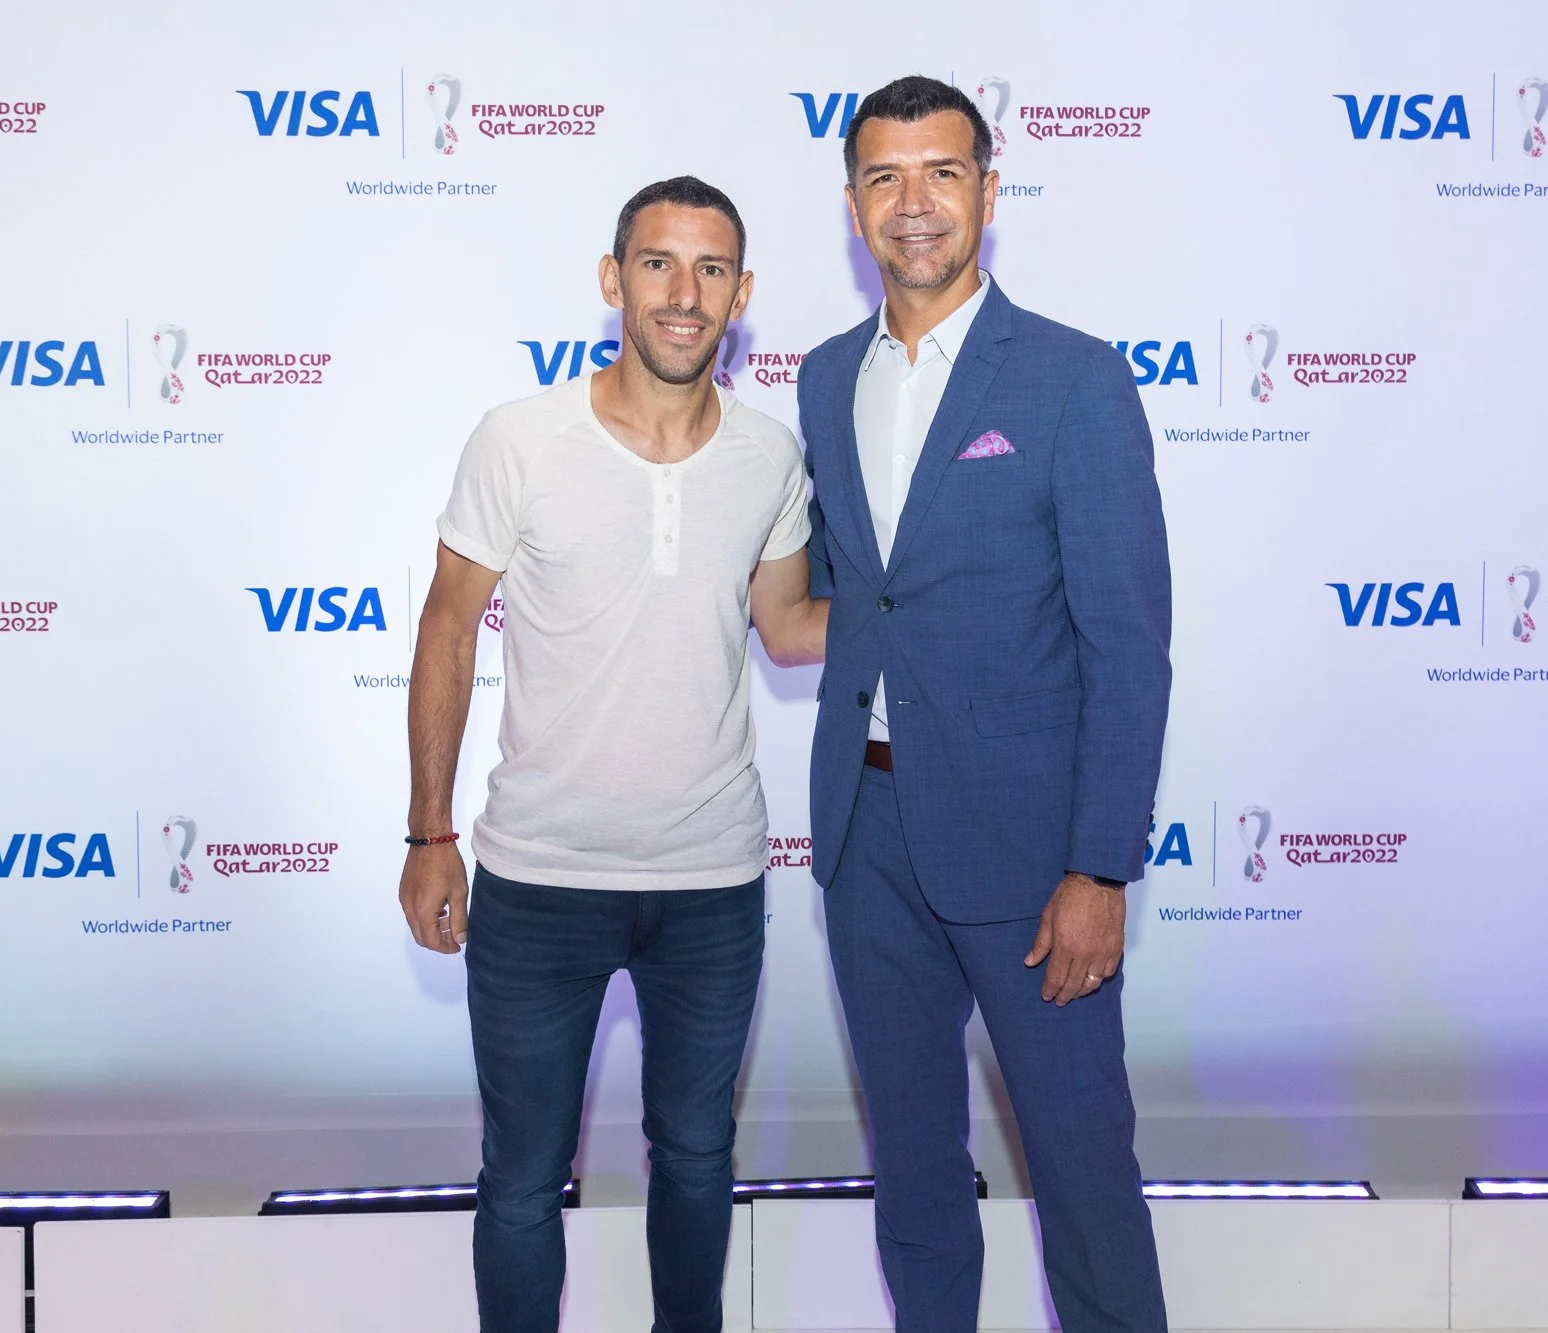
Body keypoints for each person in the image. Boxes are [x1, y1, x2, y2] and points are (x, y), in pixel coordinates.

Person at [398, 176, 827, 1333]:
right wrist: (429, 834)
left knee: (696, 1156)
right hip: (539, 880)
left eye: (710, 270)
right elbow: (446, 623)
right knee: (524, 1178)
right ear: (611, 280)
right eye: (656, 264)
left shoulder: (769, 457)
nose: (683, 295)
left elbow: (790, 629)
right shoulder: (520, 438)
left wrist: (932, 588)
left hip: (710, 883)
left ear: (741, 295)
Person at [797, 76, 1174, 1332]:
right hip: (868, 843)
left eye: (942, 175)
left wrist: (1097, 868)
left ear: (989, 194)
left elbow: (1126, 648)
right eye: (885, 179)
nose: (914, 207)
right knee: (912, 1181)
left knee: (1078, 1173)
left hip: (1031, 857)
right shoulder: (820, 377)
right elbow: (856, 597)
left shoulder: (1072, 379)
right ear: (852, 206)